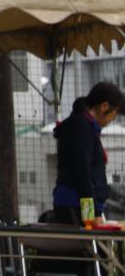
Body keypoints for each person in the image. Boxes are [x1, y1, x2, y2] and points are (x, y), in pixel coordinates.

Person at [52, 79, 123, 215]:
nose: (112, 120)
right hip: (74, 205)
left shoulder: (86, 126)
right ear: (104, 106)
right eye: (114, 114)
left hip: (80, 203)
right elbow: (83, 173)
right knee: (86, 236)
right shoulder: (81, 128)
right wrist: (92, 214)